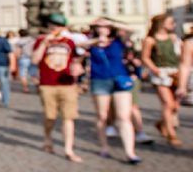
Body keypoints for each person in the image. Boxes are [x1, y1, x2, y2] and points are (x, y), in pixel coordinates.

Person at [77, 18, 140, 164]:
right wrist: (96, 40)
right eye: (99, 26)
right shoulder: (91, 42)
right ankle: (104, 146)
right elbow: (79, 45)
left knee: (124, 117)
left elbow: (132, 30)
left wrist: (111, 23)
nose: (102, 29)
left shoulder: (118, 41)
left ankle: (130, 152)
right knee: (102, 116)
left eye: (105, 27)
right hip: (100, 80)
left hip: (120, 80)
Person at [33, 13, 82, 163]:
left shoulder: (69, 42)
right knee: (50, 117)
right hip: (47, 84)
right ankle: (48, 138)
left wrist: (78, 68)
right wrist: (44, 44)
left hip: (67, 84)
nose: (56, 28)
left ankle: (68, 149)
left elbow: (75, 60)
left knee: (68, 117)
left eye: (59, 26)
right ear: (48, 26)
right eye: (53, 25)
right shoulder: (41, 40)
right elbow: (35, 59)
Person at [142, 13, 182, 146]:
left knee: (175, 106)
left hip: (175, 72)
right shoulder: (150, 40)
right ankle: (171, 135)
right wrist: (155, 70)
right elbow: (145, 57)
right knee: (168, 104)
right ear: (161, 23)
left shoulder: (173, 37)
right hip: (160, 73)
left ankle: (161, 123)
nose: (173, 24)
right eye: (171, 22)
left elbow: (179, 55)